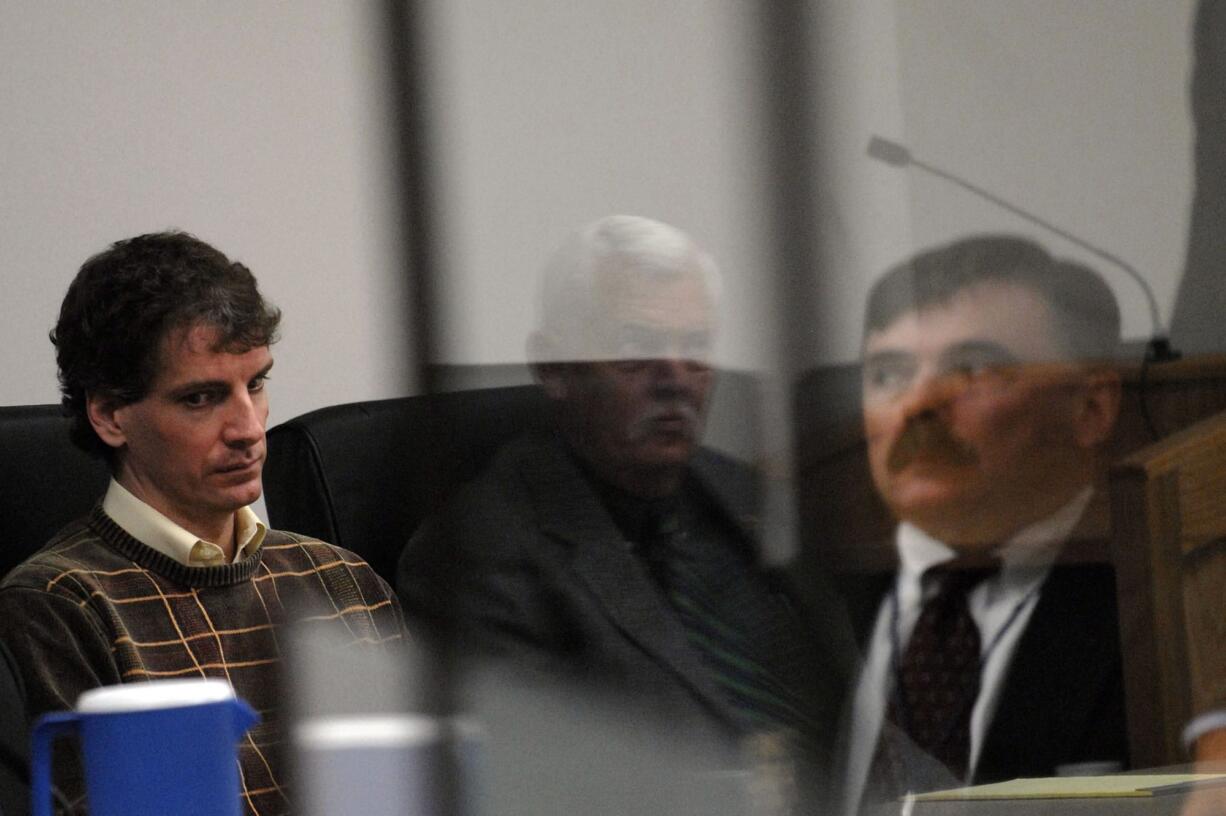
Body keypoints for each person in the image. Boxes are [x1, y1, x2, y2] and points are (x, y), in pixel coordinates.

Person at [397, 215, 853, 805]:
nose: (675, 381)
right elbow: (547, 793)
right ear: (554, 368)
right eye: (635, 351)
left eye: (695, 349)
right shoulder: (477, 557)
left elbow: (865, 726)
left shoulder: (751, 502)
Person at [0, 232, 407, 815]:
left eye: (256, 384)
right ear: (111, 415)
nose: (248, 428)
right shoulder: (56, 609)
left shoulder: (343, 580)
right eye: (201, 398)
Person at [840, 235, 1129, 811]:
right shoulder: (801, 601)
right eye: (888, 375)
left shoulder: (1159, 601)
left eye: (972, 369)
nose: (916, 405)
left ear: (1091, 408)